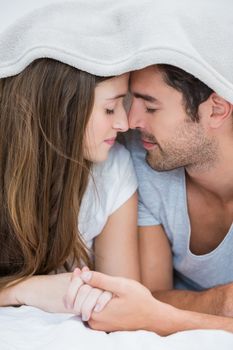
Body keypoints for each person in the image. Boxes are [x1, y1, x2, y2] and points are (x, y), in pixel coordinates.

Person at [65, 63, 233, 335]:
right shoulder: (144, 159)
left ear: (216, 110)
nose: (130, 122)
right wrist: (221, 302)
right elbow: (149, 297)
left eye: (151, 108)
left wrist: (167, 314)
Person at [0, 57, 140, 322]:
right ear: (62, 107)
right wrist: (24, 290)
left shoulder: (114, 168)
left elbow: (126, 304)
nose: (124, 124)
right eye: (110, 109)